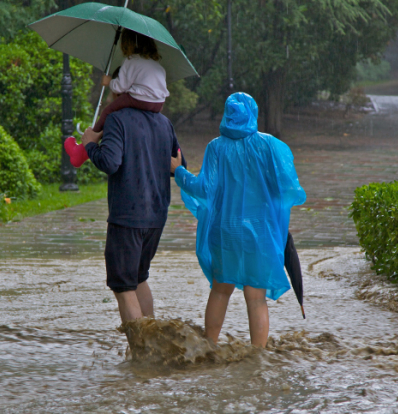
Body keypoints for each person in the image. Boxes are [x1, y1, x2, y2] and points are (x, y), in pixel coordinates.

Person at [170, 92, 306, 347]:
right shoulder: (270, 146)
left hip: (226, 231)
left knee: (221, 290)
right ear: (253, 113)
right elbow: (288, 189)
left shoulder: (216, 147)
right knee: (256, 298)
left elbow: (203, 190)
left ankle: (209, 345)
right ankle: (258, 357)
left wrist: (178, 171)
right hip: (260, 233)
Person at [81, 96, 185, 323]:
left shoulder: (116, 120)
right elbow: (179, 164)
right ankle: (153, 343)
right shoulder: (163, 122)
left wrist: (89, 144)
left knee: (123, 287)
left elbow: (109, 162)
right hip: (156, 217)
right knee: (138, 278)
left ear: (123, 91)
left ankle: (141, 353)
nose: (109, 96)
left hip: (127, 216)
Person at [66, 29, 169, 168]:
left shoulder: (131, 60)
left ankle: (87, 143)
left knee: (108, 112)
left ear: (127, 44)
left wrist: (109, 82)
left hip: (139, 99)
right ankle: (86, 146)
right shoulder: (158, 65)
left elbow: (120, 87)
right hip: (158, 103)